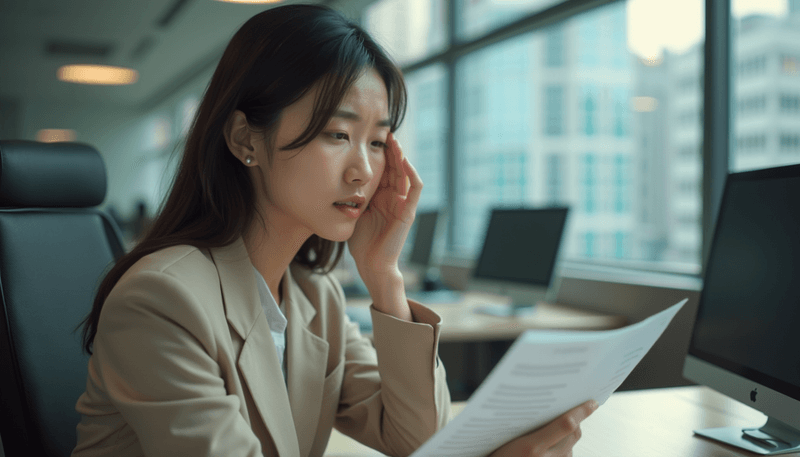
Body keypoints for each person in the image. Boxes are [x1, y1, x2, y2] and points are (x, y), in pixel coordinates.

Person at [72, 4, 596, 457]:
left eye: (376, 142)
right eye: (337, 133)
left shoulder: (312, 296)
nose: (364, 172)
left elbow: (419, 440)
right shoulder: (161, 299)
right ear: (243, 139)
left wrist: (384, 275)